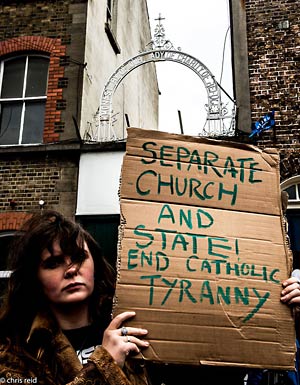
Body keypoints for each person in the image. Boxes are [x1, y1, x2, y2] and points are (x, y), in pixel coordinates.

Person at [0, 210, 150, 385]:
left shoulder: (134, 325)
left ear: (95, 264)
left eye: (79, 257)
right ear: (34, 278)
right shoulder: (15, 352)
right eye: (53, 263)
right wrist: (103, 367)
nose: (71, 270)